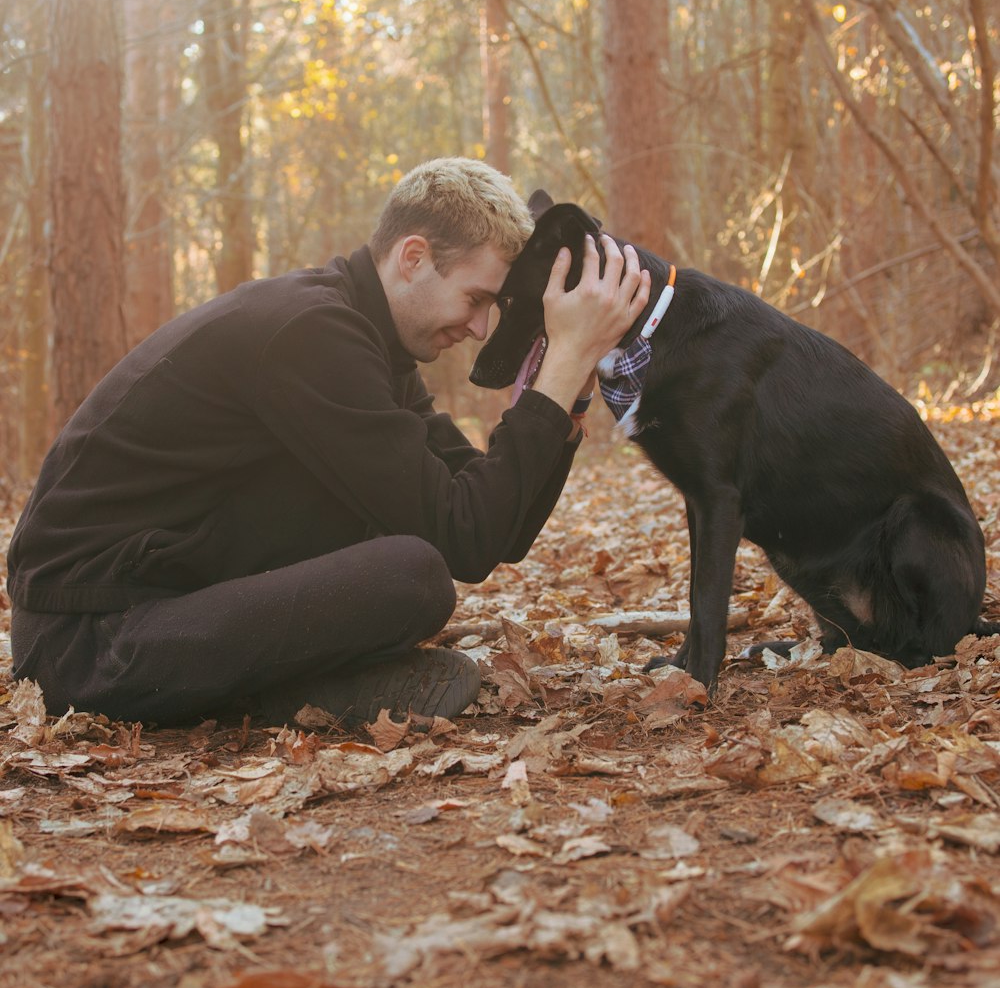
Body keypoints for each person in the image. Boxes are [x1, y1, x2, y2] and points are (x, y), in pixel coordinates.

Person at [7, 158, 649, 729]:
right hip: (87, 640)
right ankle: (286, 690)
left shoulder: (372, 346)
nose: (482, 328)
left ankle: (297, 685)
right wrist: (559, 368)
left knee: (404, 553)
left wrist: (572, 388)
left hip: (158, 599)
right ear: (414, 257)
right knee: (413, 574)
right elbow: (464, 536)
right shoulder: (310, 334)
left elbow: (492, 532)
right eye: (477, 299)